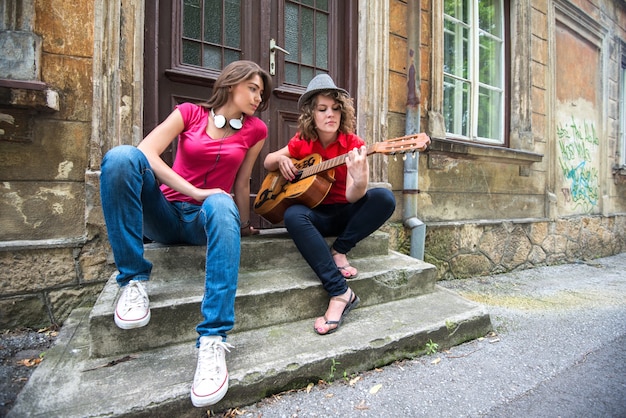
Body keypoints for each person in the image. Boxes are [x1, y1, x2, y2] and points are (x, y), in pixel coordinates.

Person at [99, 60, 272, 407]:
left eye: (261, 93)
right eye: (252, 88)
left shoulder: (256, 130)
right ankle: (133, 281)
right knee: (120, 158)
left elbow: (241, 182)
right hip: (165, 213)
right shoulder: (189, 113)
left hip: (204, 222)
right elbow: (146, 153)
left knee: (223, 203)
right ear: (231, 83)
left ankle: (213, 339)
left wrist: (242, 225)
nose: (258, 98)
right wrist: (193, 191)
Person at [263, 74, 397, 335]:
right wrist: (282, 161)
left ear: (343, 113)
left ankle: (340, 251)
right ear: (311, 114)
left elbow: (353, 198)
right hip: (317, 216)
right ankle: (340, 291)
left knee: (384, 198)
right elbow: (268, 160)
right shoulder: (303, 142)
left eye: (336, 109)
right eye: (322, 109)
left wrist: (359, 180)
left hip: (346, 212)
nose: (330, 115)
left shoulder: (354, 146)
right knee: (292, 214)